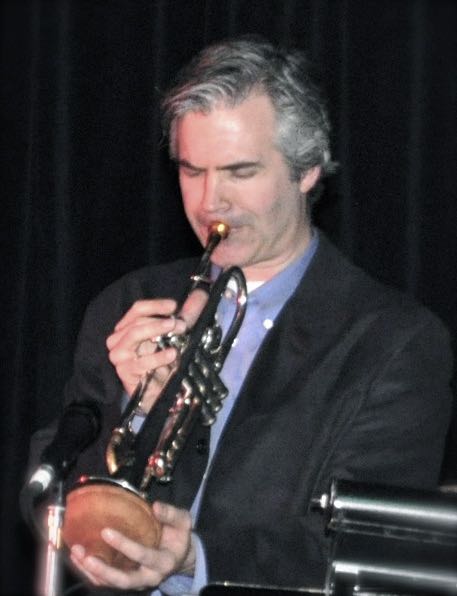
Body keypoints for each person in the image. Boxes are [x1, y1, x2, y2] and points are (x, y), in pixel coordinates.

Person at [30, 37, 453, 595]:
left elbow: (363, 547)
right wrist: (133, 412)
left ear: (307, 170)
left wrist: (196, 558)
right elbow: (50, 485)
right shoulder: (129, 302)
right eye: (192, 170)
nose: (211, 202)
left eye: (240, 171)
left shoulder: (392, 342)